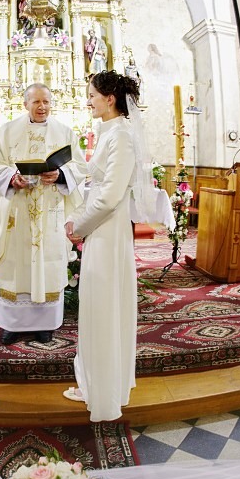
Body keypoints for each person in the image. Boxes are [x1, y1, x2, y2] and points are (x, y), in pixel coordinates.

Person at [64, 70, 145, 421]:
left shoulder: (122, 135)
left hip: (107, 232)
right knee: (96, 305)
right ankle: (96, 380)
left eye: (92, 95)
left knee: (104, 305)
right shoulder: (109, 131)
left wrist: (77, 226)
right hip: (99, 230)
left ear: (109, 98)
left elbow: (111, 196)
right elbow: (94, 176)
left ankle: (104, 390)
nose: (88, 101)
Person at [0, 83, 86, 345]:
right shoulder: (7, 132)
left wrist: (61, 174)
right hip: (16, 213)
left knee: (47, 264)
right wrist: (11, 177)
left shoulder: (65, 132)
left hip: (49, 212)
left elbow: (80, 167)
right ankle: (11, 325)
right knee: (16, 266)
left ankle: (45, 324)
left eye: (47, 102)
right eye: (36, 102)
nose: (42, 107)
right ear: (25, 104)